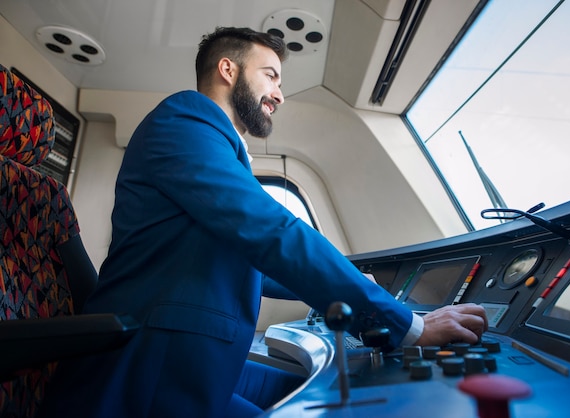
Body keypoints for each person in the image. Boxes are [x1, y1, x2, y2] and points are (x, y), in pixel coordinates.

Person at [39, 27, 488, 417]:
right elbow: (273, 232)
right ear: (228, 71)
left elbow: (250, 256)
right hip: (147, 372)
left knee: (327, 395)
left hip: (190, 361)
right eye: (270, 75)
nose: (279, 94)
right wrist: (411, 326)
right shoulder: (184, 121)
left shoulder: (212, 145)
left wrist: (352, 284)